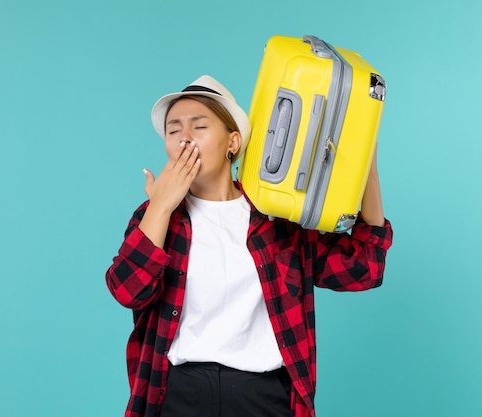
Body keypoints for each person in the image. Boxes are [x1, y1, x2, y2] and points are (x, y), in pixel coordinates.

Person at [105, 75, 393, 417]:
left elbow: (365, 268)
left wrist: (367, 165)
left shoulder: (276, 219)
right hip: (180, 395)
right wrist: (161, 207)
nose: (184, 138)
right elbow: (127, 291)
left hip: (264, 397)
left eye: (199, 127)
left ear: (233, 142)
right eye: (173, 130)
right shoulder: (157, 217)